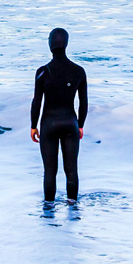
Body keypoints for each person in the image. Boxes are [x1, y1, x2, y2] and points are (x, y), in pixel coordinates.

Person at [30, 27, 88, 202]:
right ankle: (73, 209)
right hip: (70, 123)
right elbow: (84, 103)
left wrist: (33, 126)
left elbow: (37, 102)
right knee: (71, 170)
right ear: (66, 44)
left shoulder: (42, 72)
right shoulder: (79, 71)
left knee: (50, 171)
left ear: (50, 45)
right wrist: (80, 125)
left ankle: (48, 213)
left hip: (49, 124)